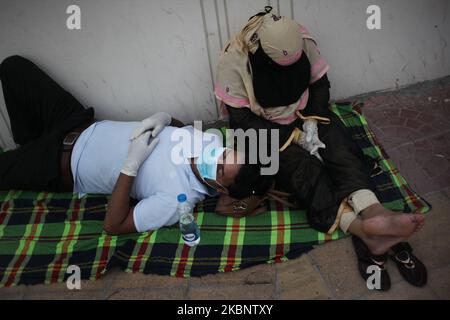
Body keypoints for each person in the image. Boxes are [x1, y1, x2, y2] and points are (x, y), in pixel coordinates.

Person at [214, 7, 427, 289]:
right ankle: (365, 231)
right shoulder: (234, 59)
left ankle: (373, 212)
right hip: (264, 130)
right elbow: (241, 121)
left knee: (338, 148)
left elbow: (320, 86)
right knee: (305, 170)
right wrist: (292, 137)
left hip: (307, 116)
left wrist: (312, 121)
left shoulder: (301, 38)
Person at [0, 55, 270, 235]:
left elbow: (113, 225)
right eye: (225, 153)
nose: (215, 155)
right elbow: (183, 129)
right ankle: (29, 145)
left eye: (220, 167)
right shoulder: (210, 139)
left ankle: (29, 155)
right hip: (79, 122)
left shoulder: (176, 200)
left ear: (220, 188)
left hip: (59, 164)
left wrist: (131, 165)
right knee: (13, 67)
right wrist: (165, 118)